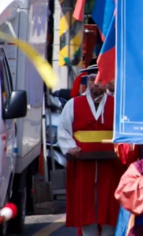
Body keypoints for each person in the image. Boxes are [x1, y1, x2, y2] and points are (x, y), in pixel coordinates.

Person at [58, 65, 126, 236]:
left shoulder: (118, 104)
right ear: (86, 82)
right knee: (86, 207)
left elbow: (125, 131)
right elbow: (63, 130)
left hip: (111, 165)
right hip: (83, 165)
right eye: (91, 80)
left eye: (99, 80)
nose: (95, 84)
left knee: (111, 206)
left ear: (106, 82)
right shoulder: (73, 104)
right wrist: (70, 146)